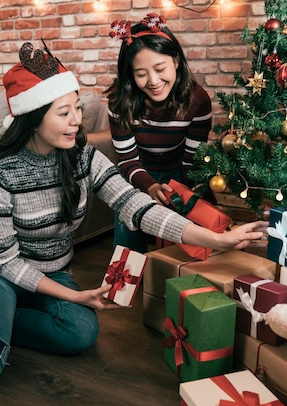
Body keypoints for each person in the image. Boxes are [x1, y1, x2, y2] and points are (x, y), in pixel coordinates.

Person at [0, 41, 269, 387]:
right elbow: (6, 261)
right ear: (32, 117)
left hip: (51, 270)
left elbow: (137, 206)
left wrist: (217, 239)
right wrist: (76, 294)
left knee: (79, 334)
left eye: (77, 108)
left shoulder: (83, 158)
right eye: (64, 113)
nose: (77, 120)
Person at [106, 13, 213, 253]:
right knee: (129, 231)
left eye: (160, 68)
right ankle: (126, 277)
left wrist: (193, 194)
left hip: (178, 169)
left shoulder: (198, 99)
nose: (153, 81)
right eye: (141, 74)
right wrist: (150, 187)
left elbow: (193, 159)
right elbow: (127, 160)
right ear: (130, 75)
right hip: (137, 171)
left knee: (188, 237)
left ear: (175, 61)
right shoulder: (119, 102)